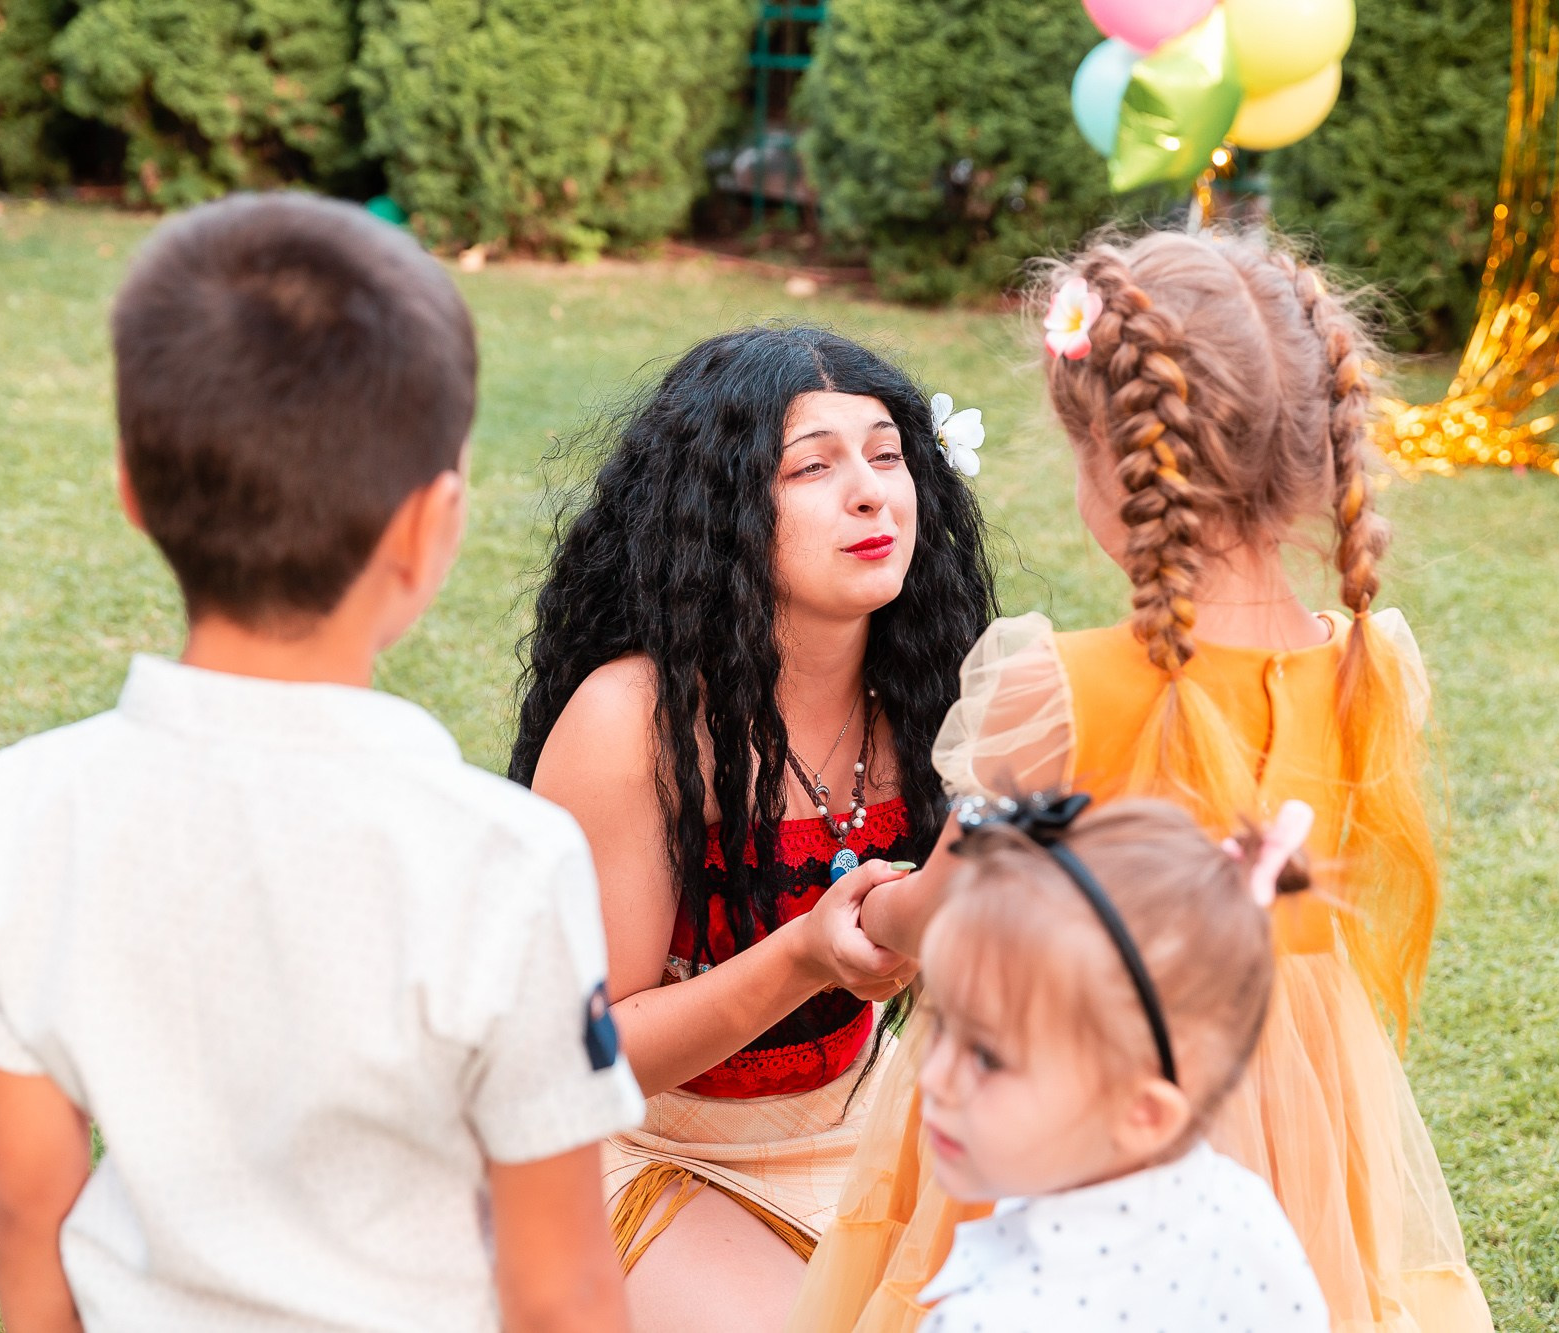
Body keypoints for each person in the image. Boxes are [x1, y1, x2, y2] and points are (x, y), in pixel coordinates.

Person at [0, 193, 643, 1333]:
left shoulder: (24, 804)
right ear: (431, 528)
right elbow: (559, 1290)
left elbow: (26, 1210)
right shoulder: (504, 858)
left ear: (129, 487)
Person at [794, 231, 1493, 1332]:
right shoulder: (1375, 666)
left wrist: (873, 904)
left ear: (1118, 468)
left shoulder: (1061, 688)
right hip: (1303, 1098)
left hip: (1070, 1081)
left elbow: (948, 910)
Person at [511, 326, 1000, 1333]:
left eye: (884, 453)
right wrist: (807, 956)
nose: (869, 493)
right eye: (812, 466)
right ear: (721, 512)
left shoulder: (936, 695)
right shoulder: (631, 722)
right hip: (638, 1145)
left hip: (865, 1130)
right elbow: (578, 1057)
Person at [913, 794, 1329, 1333]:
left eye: (988, 1057)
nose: (932, 1077)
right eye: (940, 1021)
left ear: (1144, 1114)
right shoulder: (1246, 1215)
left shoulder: (992, 1317)